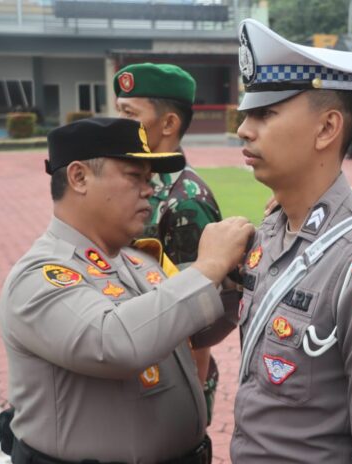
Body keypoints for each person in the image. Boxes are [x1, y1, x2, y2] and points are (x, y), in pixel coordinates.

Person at [0, 117, 254, 463]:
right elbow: (114, 343)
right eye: (135, 177)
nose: (149, 189)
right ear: (79, 177)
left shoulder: (136, 260)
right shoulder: (39, 276)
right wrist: (207, 267)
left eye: (149, 179)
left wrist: (234, 278)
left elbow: (186, 325)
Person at [232, 18, 352, 463]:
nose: (244, 129)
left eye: (265, 113)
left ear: (326, 129)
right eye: (246, 114)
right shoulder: (271, 233)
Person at [113, 62, 225, 422]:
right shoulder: (131, 183)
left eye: (129, 114)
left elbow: (200, 322)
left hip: (169, 385)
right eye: (118, 112)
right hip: (129, 357)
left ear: (168, 124)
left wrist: (187, 407)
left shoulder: (185, 201)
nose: (119, 123)